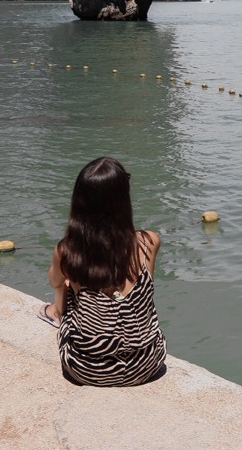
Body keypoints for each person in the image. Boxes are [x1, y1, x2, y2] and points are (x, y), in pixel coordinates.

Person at [38, 156, 166, 386]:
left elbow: (53, 281)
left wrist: (68, 278)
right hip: (147, 364)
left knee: (66, 285)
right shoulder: (149, 242)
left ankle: (55, 313)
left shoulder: (68, 250)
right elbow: (145, 297)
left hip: (88, 369)